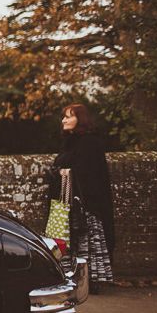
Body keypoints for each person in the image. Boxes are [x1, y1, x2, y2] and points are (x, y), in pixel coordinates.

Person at [49, 103, 114, 293]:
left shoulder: (90, 143)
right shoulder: (70, 143)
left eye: (68, 116)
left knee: (87, 243)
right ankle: (70, 278)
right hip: (66, 204)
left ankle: (90, 281)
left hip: (85, 206)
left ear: (80, 119)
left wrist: (65, 172)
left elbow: (91, 175)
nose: (63, 120)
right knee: (68, 241)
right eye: (64, 116)